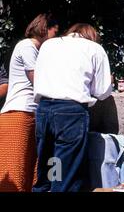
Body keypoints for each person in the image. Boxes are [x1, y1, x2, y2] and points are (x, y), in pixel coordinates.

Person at [33, 23, 112, 192]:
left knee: (50, 168)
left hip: (44, 110)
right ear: (92, 36)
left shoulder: (49, 44)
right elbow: (102, 91)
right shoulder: (94, 48)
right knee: (67, 175)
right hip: (70, 113)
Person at [0, 14, 59, 192]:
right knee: (14, 171)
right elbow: (38, 80)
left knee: (31, 174)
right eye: (55, 32)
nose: (56, 37)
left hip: (30, 114)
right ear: (45, 29)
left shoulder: (37, 49)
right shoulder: (27, 46)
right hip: (18, 114)